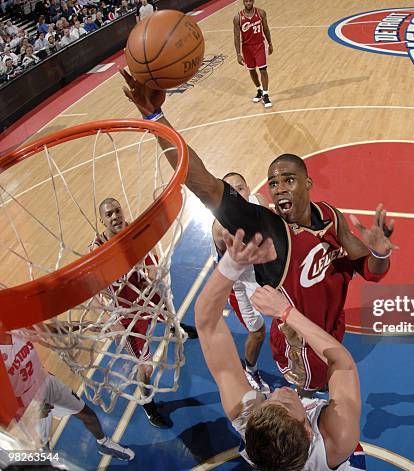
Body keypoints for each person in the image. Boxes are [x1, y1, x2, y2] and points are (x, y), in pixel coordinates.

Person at [120, 68, 396, 394]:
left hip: (333, 328)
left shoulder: (330, 216)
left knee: (335, 390)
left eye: (288, 181)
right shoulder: (269, 230)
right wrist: (155, 117)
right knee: (315, 400)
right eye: (274, 182)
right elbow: (205, 184)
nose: (279, 189)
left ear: (307, 184)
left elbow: (372, 272)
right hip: (301, 347)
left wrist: (380, 252)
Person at [195, 229, 366, 470]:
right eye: (285, 404)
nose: (279, 392)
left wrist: (232, 265)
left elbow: (207, 324)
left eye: (268, 401)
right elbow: (341, 361)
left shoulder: (249, 419)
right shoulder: (338, 438)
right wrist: (286, 312)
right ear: (309, 433)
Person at [92, 197, 198, 428]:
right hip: (125, 312)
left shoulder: (133, 232)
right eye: (109, 214)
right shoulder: (97, 251)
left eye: (117, 211)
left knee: (168, 307)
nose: (115, 216)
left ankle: (177, 328)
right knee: (146, 367)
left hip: (144, 294)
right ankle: (148, 405)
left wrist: (153, 273)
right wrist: (112, 319)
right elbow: (96, 293)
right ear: (102, 220)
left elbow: (151, 264)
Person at [0, 330, 134, 461]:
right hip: (26, 402)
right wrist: (29, 412)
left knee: (88, 415)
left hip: (45, 380)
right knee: (41, 449)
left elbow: (50, 329)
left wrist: (84, 327)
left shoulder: (17, 327)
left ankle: (104, 443)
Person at [211, 173, 270, 392]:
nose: (238, 194)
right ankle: (250, 370)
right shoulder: (220, 228)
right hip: (240, 283)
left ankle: (297, 363)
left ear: (249, 188)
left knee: (291, 317)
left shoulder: (260, 201)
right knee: (258, 332)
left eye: (241, 188)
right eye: (231, 191)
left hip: (263, 271)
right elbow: (226, 270)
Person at [233, 0, 274, 108]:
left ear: (253, 1)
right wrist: (238, 53)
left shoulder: (261, 13)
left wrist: (270, 43)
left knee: (263, 70)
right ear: (243, 2)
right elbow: (236, 37)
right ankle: (259, 90)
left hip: (259, 45)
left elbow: (266, 28)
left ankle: (265, 94)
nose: (248, 3)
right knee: (251, 70)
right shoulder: (238, 18)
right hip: (246, 48)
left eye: (250, 1)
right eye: (246, 1)